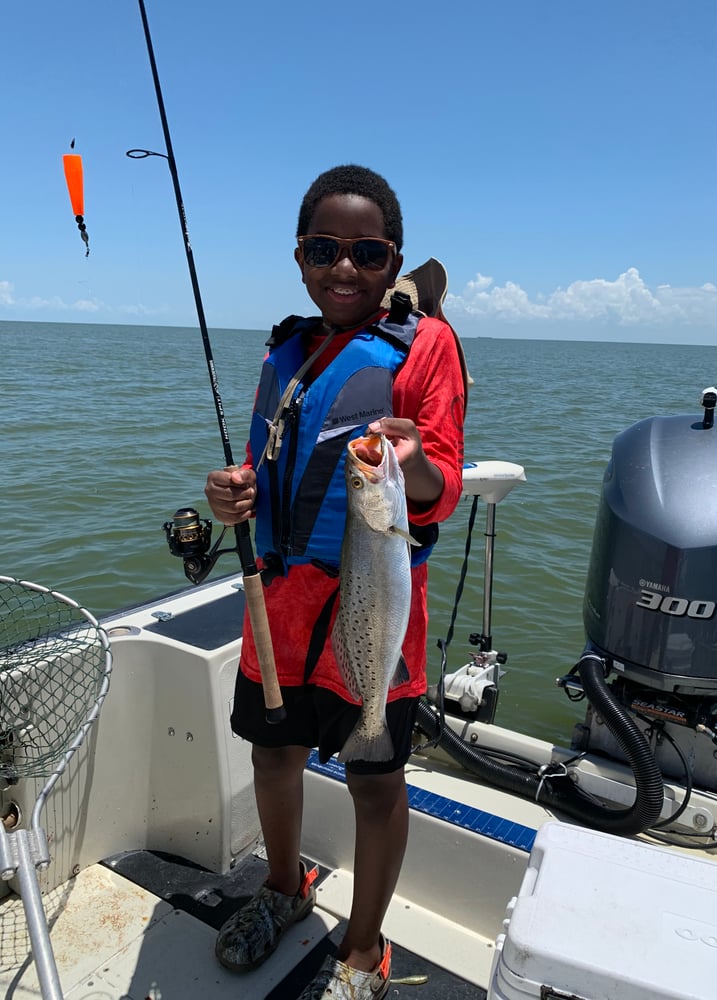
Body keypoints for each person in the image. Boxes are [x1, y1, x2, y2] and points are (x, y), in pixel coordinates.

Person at [204, 164, 465, 1000]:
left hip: (374, 600)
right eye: (324, 249)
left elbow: (440, 490)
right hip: (277, 608)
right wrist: (233, 492)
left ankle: (363, 947)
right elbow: (268, 464)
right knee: (273, 756)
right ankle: (285, 887)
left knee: (375, 777)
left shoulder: (426, 346)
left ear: (394, 262)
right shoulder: (286, 348)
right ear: (300, 256)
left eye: (367, 253)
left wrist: (417, 463)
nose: (343, 269)